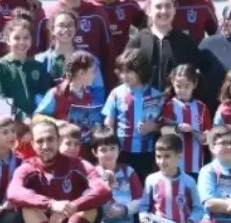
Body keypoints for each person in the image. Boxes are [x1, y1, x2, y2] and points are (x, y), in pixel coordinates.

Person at [7, 120, 110, 223]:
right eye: (40, 141)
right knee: (27, 207)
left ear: (59, 140)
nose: (46, 146)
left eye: (50, 139)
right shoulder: (27, 167)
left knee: (92, 206)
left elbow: (103, 190)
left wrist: (72, 207)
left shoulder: (78, 164)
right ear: (33, 144)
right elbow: (13, 193)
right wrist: (51, 204)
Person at [36, 0, 114, 83]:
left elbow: (108, 56)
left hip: (90, 90)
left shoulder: (98, 14)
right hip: (54, 89)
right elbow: (37, 58)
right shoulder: (45, 15)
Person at [137, 135, 202, 223]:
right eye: (158, 156)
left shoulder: (189, 182)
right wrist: (144, 219)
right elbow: (143, 206)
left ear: (179, 156)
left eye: (167, 156)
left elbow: (198, 208)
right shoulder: (152, 179)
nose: (162, 161)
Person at [102, 49, 165, 177]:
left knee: (141, 186)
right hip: (121, 151)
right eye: (122, 72)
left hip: (146, 152)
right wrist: (109, 135)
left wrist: (154, 127)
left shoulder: (157, 96)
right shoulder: (116, 93)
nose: (124, 76)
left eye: (129, 71)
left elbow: (164, 125)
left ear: (141, 70)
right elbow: (109, 120)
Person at [125, 0, 201, 96]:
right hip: (144, 104)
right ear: (148, 11)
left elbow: (194, 75)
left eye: (168, 6)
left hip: (175, 105)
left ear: (174, 10)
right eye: (158, 7)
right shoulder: (138, 41)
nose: (164, 11)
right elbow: (125, 73)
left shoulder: (185, 42)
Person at [92, 128, 149, 223]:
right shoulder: (92, 173)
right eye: (103, 150)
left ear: (119, 149)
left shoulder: (128, 171)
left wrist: (124, 209)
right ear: (95, 152)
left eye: (113, 148)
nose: (109, 153)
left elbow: (141, 200)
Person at [34, 50, 105, 148]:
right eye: (92, 72)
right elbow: (36, 117)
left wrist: (95, 127)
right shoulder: (57, 93)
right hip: (61, 148)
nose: (95, 76)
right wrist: (56, 122)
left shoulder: (89, 96)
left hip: (81, 148)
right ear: (81, 73)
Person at [0, 15, 52, 119]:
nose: (22, 42)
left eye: (26, 37)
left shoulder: (38, 66)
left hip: (36, 121)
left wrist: (37, 117)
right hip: (10, 122)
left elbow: (44, 98)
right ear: (7, 40)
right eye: (16, 38)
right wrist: (23, 117)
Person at [36, 10, 105, 100]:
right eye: (61, 25)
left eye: (70, 25)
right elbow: (37, 94)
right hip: (49, 112)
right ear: (52, 29)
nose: (66, 29)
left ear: (76, 29)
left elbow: (98, 91)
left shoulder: (89, 59)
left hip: (81, 111)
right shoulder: (40, 61)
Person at [160, 64, 212, 176]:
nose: (182, 90)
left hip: (196, 163)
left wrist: (203, 137)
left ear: (195, 84)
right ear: (173, 83)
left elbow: (208, 134)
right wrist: (177, 128)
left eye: (187, 86)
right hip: (174, 164)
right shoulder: (169, 106)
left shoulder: (202, 108)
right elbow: (163, 130)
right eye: (178, 86)